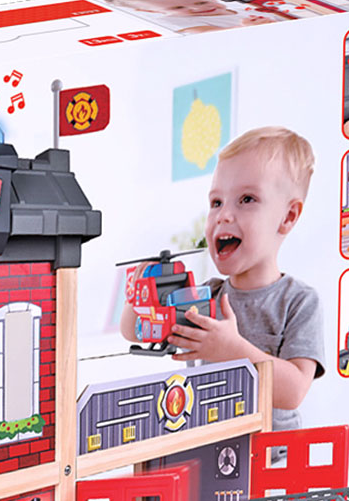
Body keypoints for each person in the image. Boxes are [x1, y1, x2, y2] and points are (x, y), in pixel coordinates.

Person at [120, 126, 324, 429]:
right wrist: (141, 291)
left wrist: (232, 350)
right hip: (204, 444)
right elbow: (133, 331)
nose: (223, 215)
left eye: (247, 199)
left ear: (288, 216)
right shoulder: (202, 297)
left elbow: (293, 392)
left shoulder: (298, 302)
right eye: (216, 202)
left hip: (270, 451)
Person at [104, 0, 290, 34]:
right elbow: (205, 34)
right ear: (155, 12)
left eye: (200, 2)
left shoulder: (234, 6)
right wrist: (243, 28)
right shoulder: (177, 22)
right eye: (178, 7)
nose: (197, 8)